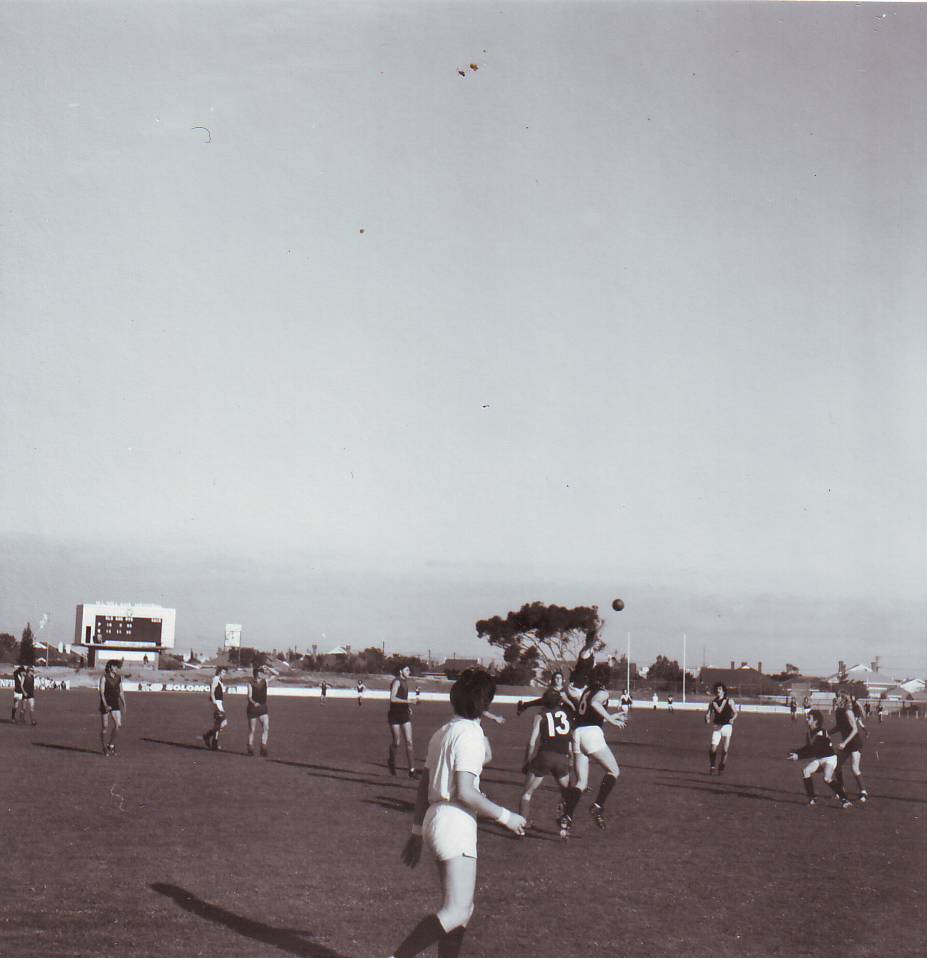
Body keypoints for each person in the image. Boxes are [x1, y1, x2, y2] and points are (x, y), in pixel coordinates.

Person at [390, 668, 525, 958]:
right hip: (455, 820)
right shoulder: (469, 735)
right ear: (485, 703)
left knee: (461, 909)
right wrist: (507, 818)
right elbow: (465, 790)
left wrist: (415, 832)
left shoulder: (444, 732)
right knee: (457, 909)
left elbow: (424, 785)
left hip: (436, 819)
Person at [558, 664, 626, 836]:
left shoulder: (587, 690)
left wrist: (612, 715)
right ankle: (597, 806)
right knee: (614, 770)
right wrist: (611, 719)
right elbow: (596, 704)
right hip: (591, 733)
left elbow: (588, 708)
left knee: (581, 782)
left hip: (577, 734)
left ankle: (567, 815)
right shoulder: (602, 692)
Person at [518, 689, 573, 829]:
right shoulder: (566, 714)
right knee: (566, 793)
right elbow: (569, 739)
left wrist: (526, 760)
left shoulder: (540, 715)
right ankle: (564, 827)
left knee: (527, 793)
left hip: (545, 756)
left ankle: (522, 826)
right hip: (563, 757)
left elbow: (532, 742)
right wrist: (571, 758)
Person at [787, 709, 852, 808]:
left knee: (827, 778)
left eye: (809, 718)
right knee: (806, 771)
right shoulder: (809, 733)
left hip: (829, 759)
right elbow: (808, 747)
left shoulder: (822, 732)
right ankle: (812, 799)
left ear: (816, 721)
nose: (806, 719)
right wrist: (796, 752)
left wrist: (798, 756)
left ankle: (845, 799)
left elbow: (814, 750)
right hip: (819, 759)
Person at [832, 692, 868, 803]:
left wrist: (844, 743)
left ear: (842, 700)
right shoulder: (838, 712)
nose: (835, 699)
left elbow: (855, 730)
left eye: (837, 698)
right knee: (836, 765)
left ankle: (863, 792)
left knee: (854, 768)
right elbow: (839, 727)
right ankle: (841, 790)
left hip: (854, 743)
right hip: (847, 744)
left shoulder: (848, 712)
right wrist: (826, 733)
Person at [388, 665, 419, 779]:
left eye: (409, 670)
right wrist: (409, 701)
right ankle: (391, 760)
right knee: (397, 742)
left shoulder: (405, 682)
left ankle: (412, 770)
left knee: (409, 741)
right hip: (394, 715)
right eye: (407, 670)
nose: (409, 672)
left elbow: (401, 697)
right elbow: (393, 698)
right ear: (400, 671)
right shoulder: (396, 682)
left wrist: (407, 707)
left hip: (404, 714)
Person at [705, 683, 736, 774]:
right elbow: (708, 713)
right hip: (717, 726)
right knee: (713, 748)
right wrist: (707, 718)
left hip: (727, 726)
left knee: (725, 750)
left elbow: (735, 713)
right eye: (716, 689)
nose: (718, 690)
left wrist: (732, 718)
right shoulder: (712, 702)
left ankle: (722, 765)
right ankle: (712, 766)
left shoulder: (730, 701)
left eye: (719, 689)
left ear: (723, 691)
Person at [99, 660, 126, 756]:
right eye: (115, 666)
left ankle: (110, 745)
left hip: (115, 703)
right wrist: (105, 705)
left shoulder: (119, 678)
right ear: (110, 667)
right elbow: (101, 693)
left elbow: (121, 692)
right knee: (105, 727)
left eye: (117, 667)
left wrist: (124, 703)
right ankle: (103, 747)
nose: (116, 668)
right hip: (105, 703)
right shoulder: (104, 678)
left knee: (118, 725)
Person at [246, 664, 272, 757]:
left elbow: (277, 675)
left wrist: (268, 668)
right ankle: (250, 748)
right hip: (252, 708)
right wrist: (254, 703)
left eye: (262, 672)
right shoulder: (250, 683)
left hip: (263, 708)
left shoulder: (265, 681)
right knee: (252, 730)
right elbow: (249, 696)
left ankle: (263, 747)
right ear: (256, 673)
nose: (262, 673)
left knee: (266, 727)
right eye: (260, 672)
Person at [202, 666, 228, 750]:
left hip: (219, 702)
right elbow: (212, 693)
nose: (225, 674)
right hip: (216, 702)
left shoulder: (219, 680)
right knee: (223, 722)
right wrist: (215, 705)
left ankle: (214, 743)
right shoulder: (216, 679)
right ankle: (207, 736)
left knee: (218, 723)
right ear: (220, 672)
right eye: (223, 672)